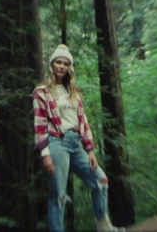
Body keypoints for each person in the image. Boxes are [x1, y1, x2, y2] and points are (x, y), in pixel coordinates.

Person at [33, 44, 126, 232]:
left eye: (66, 63)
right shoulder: (41, 92)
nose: (62, 66)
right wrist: (45, 154)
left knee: (100, 180)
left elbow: (83, 122)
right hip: (56, 142)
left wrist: (90, 149)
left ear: (70, 67)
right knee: (58, 194)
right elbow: (40, 125)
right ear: (52, 65)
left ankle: (103, 226)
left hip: (76, 143)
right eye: (58, 62)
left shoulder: (73, 92)